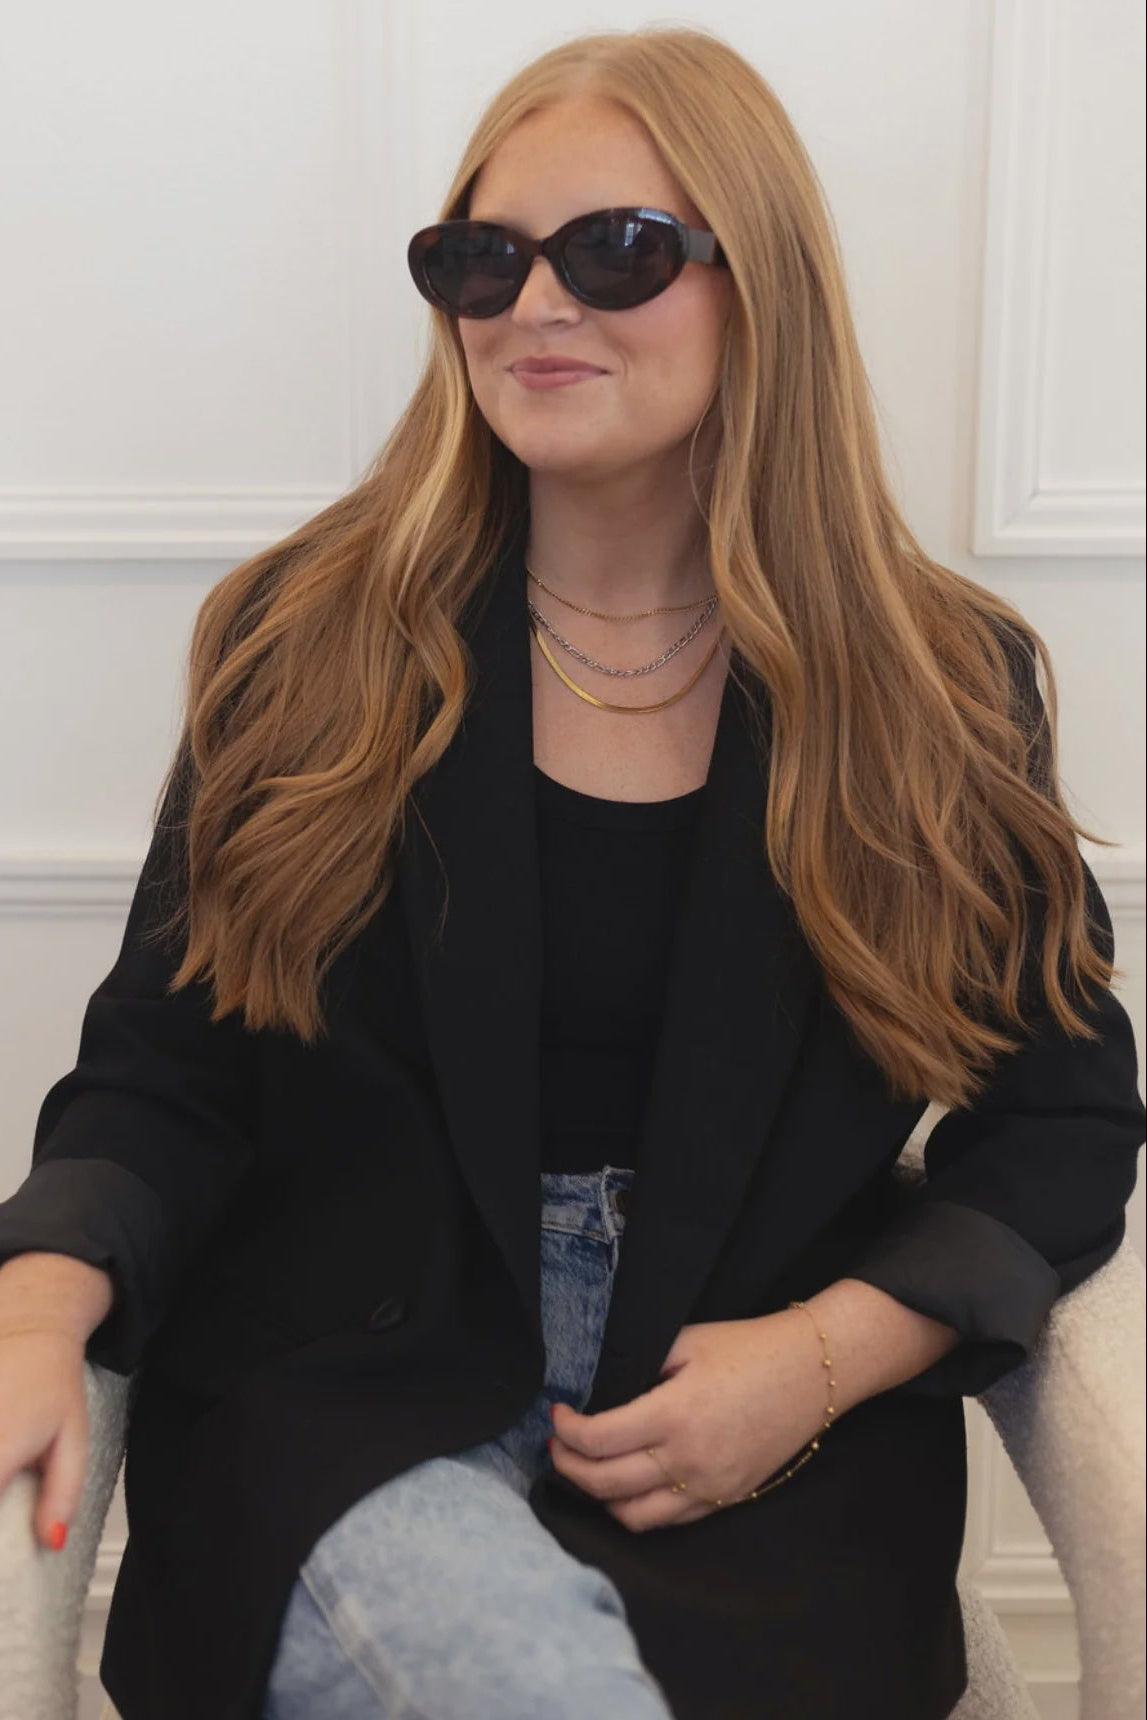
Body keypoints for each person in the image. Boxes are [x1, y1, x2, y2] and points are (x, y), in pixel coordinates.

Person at [0, 23, 1143, 1720]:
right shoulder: (301, 645)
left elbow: (1055, 1124)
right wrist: (36, 1306)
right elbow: (166, 1072)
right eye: (479, 259)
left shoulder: (937, 687)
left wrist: (824, 1358)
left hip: (755, 1461)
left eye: (616, 252)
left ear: (760, 289)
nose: (534, 305)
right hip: (343, 1409)